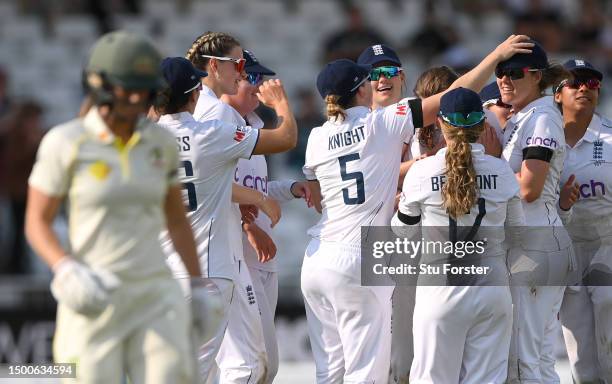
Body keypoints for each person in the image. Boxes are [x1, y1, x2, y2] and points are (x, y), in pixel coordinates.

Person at [301, 35, 532, 383]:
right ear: (362, 87)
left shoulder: (319, 136)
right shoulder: (388, 122)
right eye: (373, 74)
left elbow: (315, 192)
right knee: (382, 367)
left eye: (391, 70)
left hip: (338, 254)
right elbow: (452, 98)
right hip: (378, 255)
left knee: (342, 369)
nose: (383, 78)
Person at [24, 31, 205, 384]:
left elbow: (176, 220)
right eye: (129, 88)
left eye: (144, 88)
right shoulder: (66, 142)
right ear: (100, 84)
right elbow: (36, 221)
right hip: (94, 293)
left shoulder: (160, 142)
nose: (137, 98)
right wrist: (64, 268)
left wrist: (198, 286)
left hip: (155, 292)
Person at [184, 32, 299, 382]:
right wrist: (252, 218)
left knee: (242, 365)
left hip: (221, 254)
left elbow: (232, 184)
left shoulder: (228, 116)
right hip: (219, 256)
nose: (252, 80)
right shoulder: (215, 112)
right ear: (216, 68)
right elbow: (212, 183)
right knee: (247, 365)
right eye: (245, 70)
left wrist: (274, 194)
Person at [392, 87, 525, 383]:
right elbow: (517, 233)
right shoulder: (502, 172)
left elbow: (403, 231)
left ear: (440, 123)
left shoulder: (422, 171)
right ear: (482, 126)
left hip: (439, 291)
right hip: (492, 289)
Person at [219, 48, 313, 383]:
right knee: (248, 365)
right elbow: (216, 188)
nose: (260, 86)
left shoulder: (252, 124)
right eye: (252, 78)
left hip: (260, 259)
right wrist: (248, 226)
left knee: (266, 366)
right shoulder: (220, 124)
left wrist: (290, 189)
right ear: (232, 79)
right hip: (236, 256)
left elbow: (255, 187)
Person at [497, 40, 575, 383]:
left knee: (523, 360)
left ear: (538, 77)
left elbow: (529, 188)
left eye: (514, 73)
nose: (504, 80)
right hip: (539, 241)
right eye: (501, 72)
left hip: (534, 245)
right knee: (538, 359)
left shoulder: (542, 116)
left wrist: (484, 179)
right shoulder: (525, 115)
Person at [554, 59, 612, 383]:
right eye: (575, 82)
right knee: (580, 361)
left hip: (608, 246)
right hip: (567, 253)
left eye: (591, 83)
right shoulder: (542, 142)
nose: (584, 89)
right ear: (557, 93)